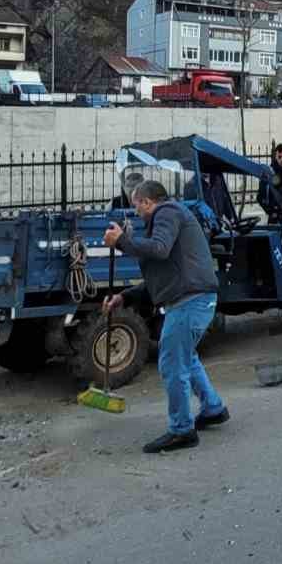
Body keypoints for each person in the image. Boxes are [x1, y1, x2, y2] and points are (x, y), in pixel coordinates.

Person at [102, 180, 228, 454]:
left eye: (136, 205)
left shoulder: (167, 212)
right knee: (186, 359)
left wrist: (122, 241)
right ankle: (213, 408)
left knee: (172, 364)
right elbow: (161, 276)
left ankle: (182, 430)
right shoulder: (170, 217)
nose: (135, 211)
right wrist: (124, 296)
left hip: (189, 302)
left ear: (147, 201)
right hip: (191, 300)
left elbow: (159, 248)